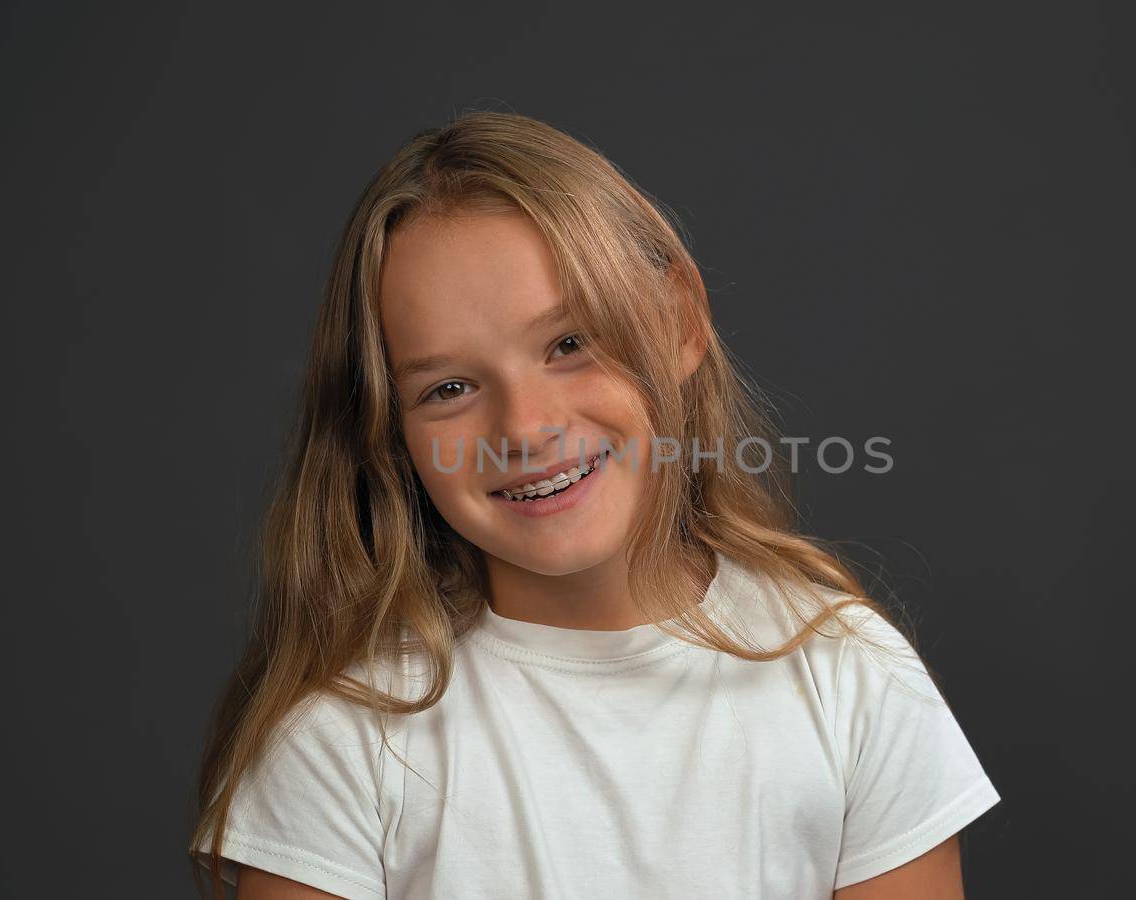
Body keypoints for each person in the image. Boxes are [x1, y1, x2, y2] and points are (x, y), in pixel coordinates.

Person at [189, 110, 1000, 899]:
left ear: (680, 322)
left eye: (569, 344)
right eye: (449, 388)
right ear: (388, 433)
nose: (528, 427)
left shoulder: (851, 678)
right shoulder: (344, 741)